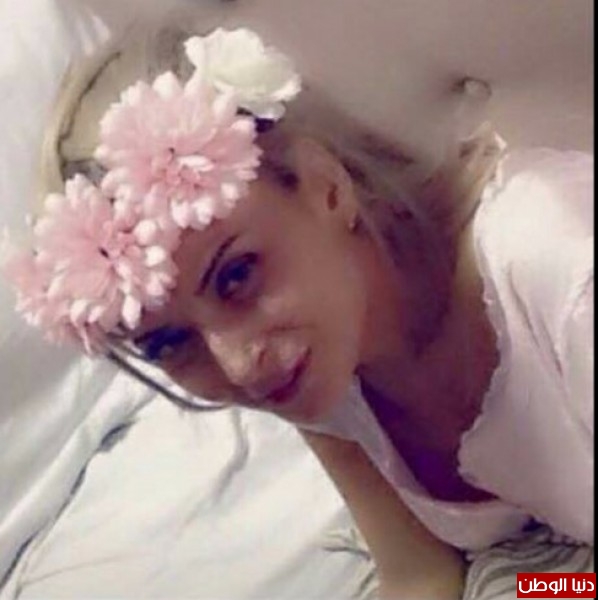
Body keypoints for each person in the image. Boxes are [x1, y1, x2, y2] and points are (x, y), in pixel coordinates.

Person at [3, 17, 593, 600]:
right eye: (168, 343)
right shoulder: (320, 371)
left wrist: (540, 591)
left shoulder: (556, 267)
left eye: (236, 276)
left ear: (324, 185)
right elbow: (417, 575)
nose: (237, 365)